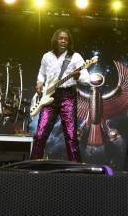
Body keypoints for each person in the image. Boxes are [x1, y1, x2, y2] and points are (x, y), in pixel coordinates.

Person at [30, 28, 90, 161]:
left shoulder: (75, 57)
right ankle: (34, 164)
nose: (63, 41)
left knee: (70, 135)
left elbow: (86, 79)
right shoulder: (47, 56)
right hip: (49, 98)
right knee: (40, 134)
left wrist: (77, 76)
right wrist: (39, 82)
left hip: (67, 96)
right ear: (55, 40)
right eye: (61, 38)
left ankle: (76, 167)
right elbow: (41, 73)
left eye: (66, 39)